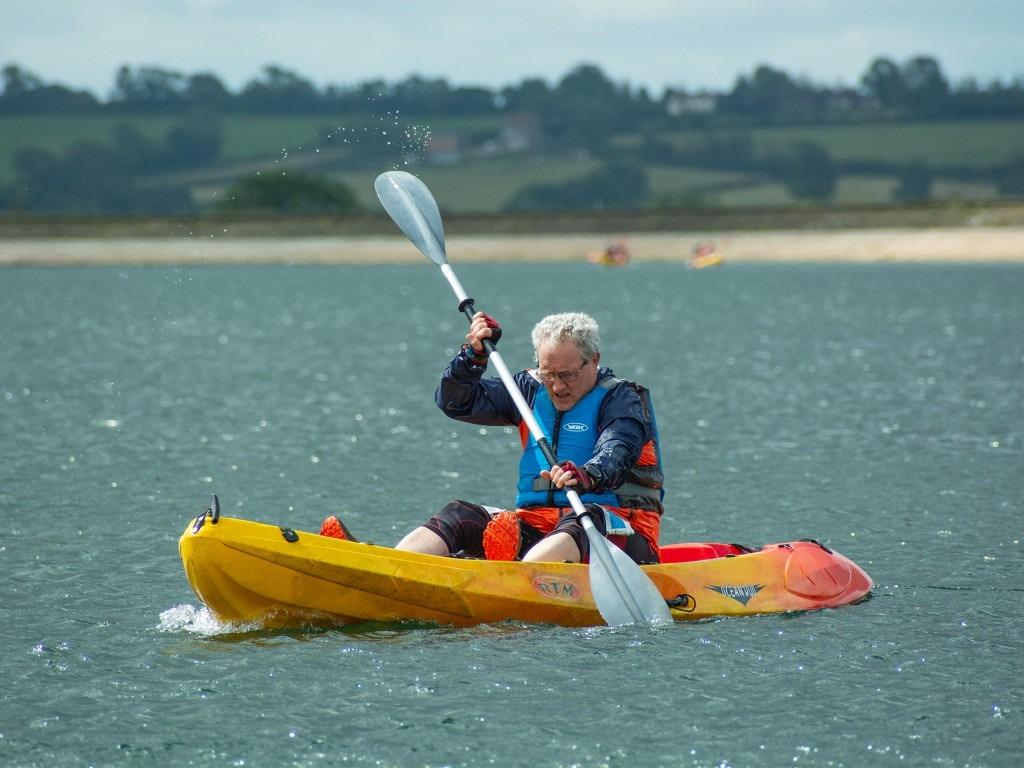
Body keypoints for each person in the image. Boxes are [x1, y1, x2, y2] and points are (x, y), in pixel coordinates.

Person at [321, 311, 665, 564]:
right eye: (548, 374)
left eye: (568, 375)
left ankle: (514, 579)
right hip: (535, 529)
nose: (557, 386)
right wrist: (473, 357)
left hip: (617, 531)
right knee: (460, 514)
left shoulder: (624, 400)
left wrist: (587, 474)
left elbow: (617, 450)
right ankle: (390, 568)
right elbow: (457, 402)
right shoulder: (528, 389)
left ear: (594, 361)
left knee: (584, 517)